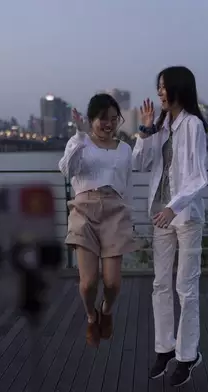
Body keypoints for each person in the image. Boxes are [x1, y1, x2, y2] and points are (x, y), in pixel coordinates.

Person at [132, 65, 208, 387]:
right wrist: (145, 131)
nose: (159, 92)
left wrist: (172, 206)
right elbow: (139, 164)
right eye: (158, 87)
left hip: (184, 216)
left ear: (179, 88)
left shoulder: (193, 125)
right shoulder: (161, 127)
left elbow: (199, 178)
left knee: (185, 288)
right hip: (160, 215)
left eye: (163, 87)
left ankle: (188, 355)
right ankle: (165, 348)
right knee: (160, 285)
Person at [58, 93, 138, 347]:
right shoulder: (80, 142)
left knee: (113, 282)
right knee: (88, 282)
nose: (109, 124)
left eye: (114, 119)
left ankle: (106, 310)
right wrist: (80, 136)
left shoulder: (124, 149)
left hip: (115, 210)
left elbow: (127, 185)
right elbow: (66, 169)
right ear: (92, 119)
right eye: (103, 118)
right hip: (84, 210)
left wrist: (129, 214)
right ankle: (91, 316)